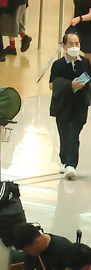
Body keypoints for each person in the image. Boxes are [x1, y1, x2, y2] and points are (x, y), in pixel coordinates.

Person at [52, 32, 90, 179]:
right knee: (64, 135)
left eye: (77, 44)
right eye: (71, 44)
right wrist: (70, 85)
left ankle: (71, 165)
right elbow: (52, 85)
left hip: (80, 105)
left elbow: (89, 77)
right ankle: (65, 160)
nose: (74, 47)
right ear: (64, 46)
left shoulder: (85, 62)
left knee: (74, 134)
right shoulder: (58, 65)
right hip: (62, 105)